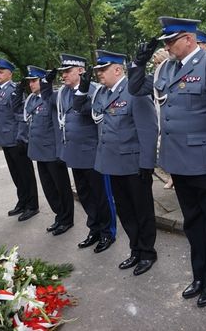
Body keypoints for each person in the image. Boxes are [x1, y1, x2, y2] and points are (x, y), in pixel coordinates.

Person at [128, 17, 206, 308]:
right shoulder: (168, 68)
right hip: (178, 161)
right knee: (193, 223)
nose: (165, 46)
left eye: (170, 40)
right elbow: (137, 89)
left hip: (205, 163)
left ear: (189, 39)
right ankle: (199, 274)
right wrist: (137, 64)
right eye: (164, 42)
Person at [78, 49, 159, 275]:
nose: (99, 74)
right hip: (111, 163)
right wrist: (83, 88)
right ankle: (135, 249)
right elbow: (81, 109)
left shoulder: (135, 90)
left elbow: (149, 129)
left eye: (103, 69)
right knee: (125, 210)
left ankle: (147, 252)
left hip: (133, 164)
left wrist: (147, 163)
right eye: (97, 70)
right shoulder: (101, 94)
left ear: (117, 69)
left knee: (142, 210)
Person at [54, 53, 115, 253]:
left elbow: (98, 117)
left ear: (80, 71)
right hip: (74, 153)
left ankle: (107, 232)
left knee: (101, 195)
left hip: (93, 152)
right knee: (85, 195)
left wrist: (84, 93)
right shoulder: (63, 92)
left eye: (67, 71)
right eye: (62, 72)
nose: (63, 75)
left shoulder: (96, 90)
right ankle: (94, 229)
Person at [0, 58, 39, 222]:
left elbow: (22, 116)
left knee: (25, 173)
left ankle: (32, 205)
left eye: (0, 72)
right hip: (4, 138)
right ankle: (23, 201)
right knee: (16, 174)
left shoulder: (15, 90)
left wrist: (21, 138)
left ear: (10, 74)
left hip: (16, 139)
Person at [21, 65, 74, 235]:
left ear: (43, 81)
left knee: (61, 188)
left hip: (52, 153)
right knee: (49, 189)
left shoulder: (52, 98)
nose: (31, 84)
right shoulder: (33, 100)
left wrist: (61, 152)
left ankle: (67, 219)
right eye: (29, 81)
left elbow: (59, 127)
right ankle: (59, 216)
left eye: (34, 81)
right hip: (39, 153)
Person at [151, 48, 174, 190]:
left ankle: (174, 177)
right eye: (154, 64)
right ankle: (172, 177)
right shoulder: (155, 77)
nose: (156, 66)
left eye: (158, 62)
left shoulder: (170, 74)